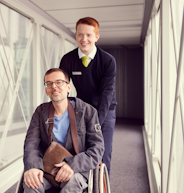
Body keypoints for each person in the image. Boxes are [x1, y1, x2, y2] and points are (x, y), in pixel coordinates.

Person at [23, 68, 104, 192]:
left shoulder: (88, 111)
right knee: (31, 183)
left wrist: (72, 164)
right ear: (46, 90)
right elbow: (31, 144)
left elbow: (97, 149)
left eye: (59, 82)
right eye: (49, 83)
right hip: (48, 169)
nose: (54, 87)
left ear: (68, 87)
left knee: (73, 183)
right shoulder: (40, 112)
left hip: (77, 169)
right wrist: (33, 167)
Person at [59, 17, 117, 175]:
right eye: (80, 35)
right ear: (76, 35)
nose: (84, 39)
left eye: (89, 35)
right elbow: (62, 88)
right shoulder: (68, 59)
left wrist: (96, 123)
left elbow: (106, 94)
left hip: (105, 109)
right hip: (82, 108)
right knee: (79, 149)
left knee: (101, 152)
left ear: (96, 37)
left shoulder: (107, 61)